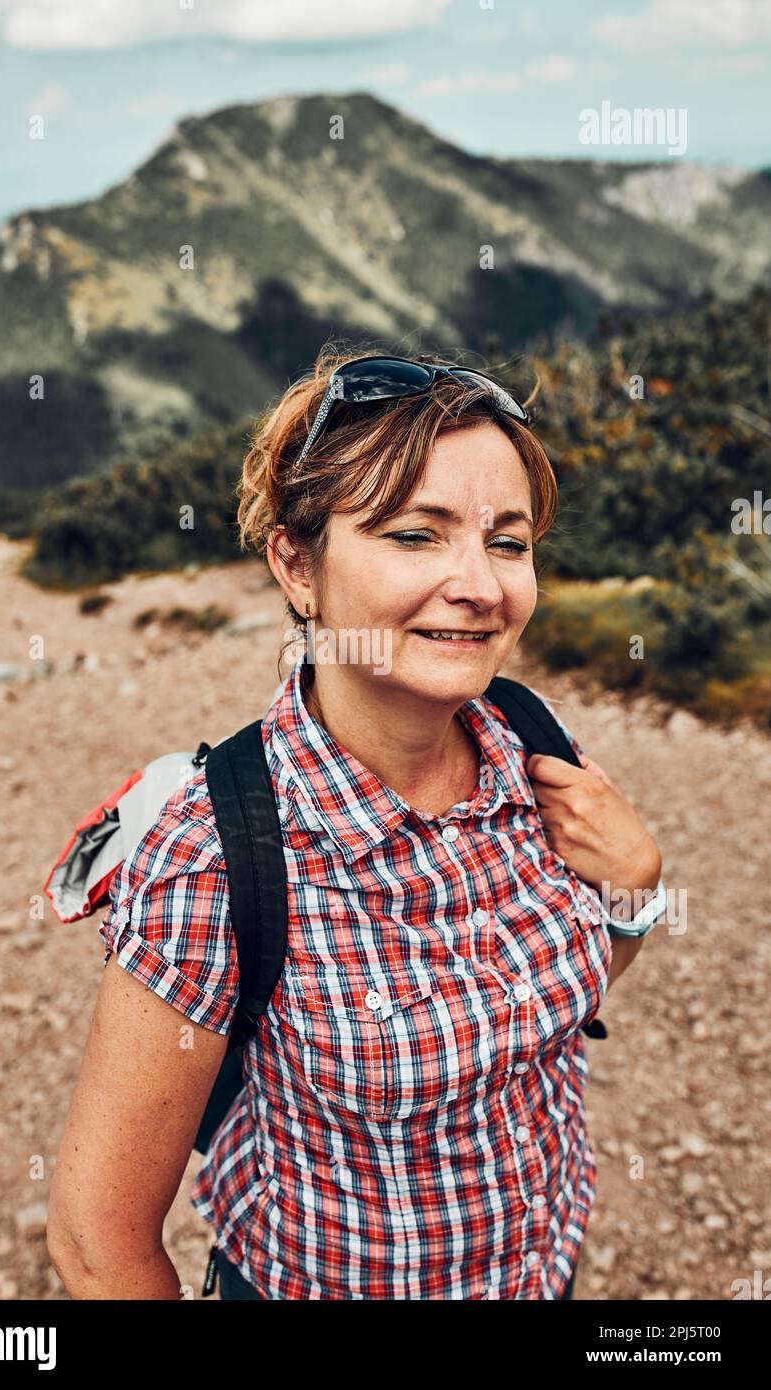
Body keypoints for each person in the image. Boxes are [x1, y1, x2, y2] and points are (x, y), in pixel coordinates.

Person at [47, 349, 662, 1301]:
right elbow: (98, 1244)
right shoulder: (216, 856)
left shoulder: (534, 745)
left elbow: (540, 1005)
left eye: (507, 542)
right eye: (416, 535)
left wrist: (633, 896)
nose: (481, 586)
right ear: (298, 564)